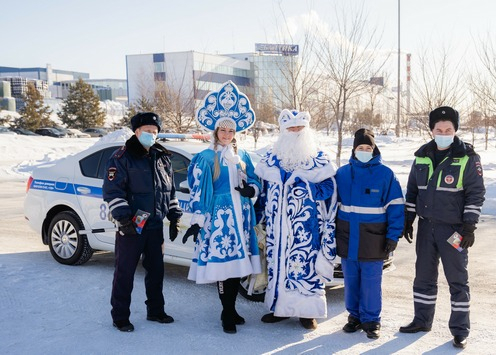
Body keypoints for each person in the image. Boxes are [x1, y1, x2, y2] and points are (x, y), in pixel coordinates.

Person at [399, 106, 486, 349]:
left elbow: (476, 194)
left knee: (458, 280)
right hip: (427, 229)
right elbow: (413, 191)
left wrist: (469, 226)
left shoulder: (468, 158)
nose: (444, 133)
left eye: (449, 129)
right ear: (432, 130)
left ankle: (460, 330)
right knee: (424, 278)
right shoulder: (422, 156)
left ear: (456, 130)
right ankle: (421, 320)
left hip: (454, 231)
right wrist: (408, 218)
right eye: (439, 129)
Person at [181, 81, 261, 334]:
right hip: (220, 219)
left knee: (238, 267)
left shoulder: (244, 155)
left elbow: (256, 180)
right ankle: (226, 313)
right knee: (222, 267)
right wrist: (197, 220)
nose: (227, 134)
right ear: (216, 130)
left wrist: (252, 190)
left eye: (231, 130)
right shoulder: (206, 157)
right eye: (223, 130)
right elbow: (199, 190)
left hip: (243, 217)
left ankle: (232, 309)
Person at [254, 109, 337, 330]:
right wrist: (257, 218)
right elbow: (262, 193)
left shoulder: (319, 159)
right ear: (282, 131)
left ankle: (307, 314)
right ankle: (279, 309)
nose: (295, 132)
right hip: (276, 231)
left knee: (305, 271)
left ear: (307, 129)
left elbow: (330, 189)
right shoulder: (271, 159)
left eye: (299, 128)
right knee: (278, 269)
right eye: (291, 129)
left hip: (306, 231)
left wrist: (307, 187)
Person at [102, 112, 183, 332]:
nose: (151, 135)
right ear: (136, 132)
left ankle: (155, 311)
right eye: (147, 131)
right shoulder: (122, 157)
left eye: (155, 132)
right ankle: (120, 316)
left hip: (155, 225)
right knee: (125, 272)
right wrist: (124, 219)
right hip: (132, 226)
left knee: (156, 271)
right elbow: (112, 191)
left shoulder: (162, 157)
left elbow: (170, 191)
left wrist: (174, 216)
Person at [335, 128, 405, 339]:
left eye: (368, 147)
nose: (364, 151)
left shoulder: (386, 175)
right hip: (348, 237)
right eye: (360, 147)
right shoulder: (342, 174)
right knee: (351, 280)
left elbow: (396, 206)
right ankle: (354, 317)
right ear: (354, 149)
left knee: (371, 282)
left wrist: (393, 235)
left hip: (374, 239)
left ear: (374, 150)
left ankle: (371, 320)